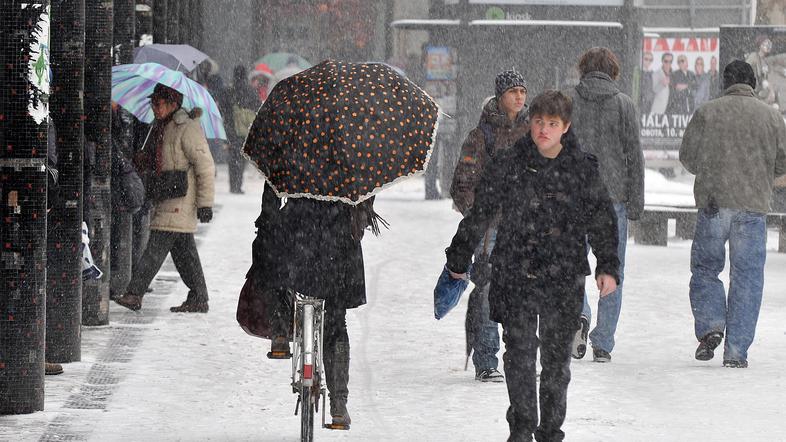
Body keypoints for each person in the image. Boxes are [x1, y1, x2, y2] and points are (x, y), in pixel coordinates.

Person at [445, 90, 620, 441]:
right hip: (516, 270)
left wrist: (608, 266)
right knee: (520, 356)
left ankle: (550, 431)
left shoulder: (582, 169)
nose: (543, 129)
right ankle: (522, 429)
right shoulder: (509, 163)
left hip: (563, 274)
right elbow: (481, 213)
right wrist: (459, 255)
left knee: (556, 363)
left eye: (552, 124)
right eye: (538, 121)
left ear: (565, 127)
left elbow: (602, 219)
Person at [679, 60, 786, 368]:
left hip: (713, 203)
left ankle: (711, 325)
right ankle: (737, 350)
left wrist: (714, 169)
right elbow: (782, 163)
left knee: (705, 269)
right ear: (753, 83)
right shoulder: (771, 117)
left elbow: (688, 157)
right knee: (748, 278)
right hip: (753, 206)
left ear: (725, 82)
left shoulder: (707, 112)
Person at [249, 185, 384, 429]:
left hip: (296, 232)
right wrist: (358, 220)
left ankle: (280, 333)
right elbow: (367, 190)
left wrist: (270, 220)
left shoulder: (293, 146)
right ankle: (339, 404)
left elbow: (273, 183)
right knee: (335, 322)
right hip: (339, 241)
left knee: (273, 269)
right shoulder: (353, 150)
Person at [450, 69, 529, 382]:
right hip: (491, 228)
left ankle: (519, 356)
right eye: (514, 92)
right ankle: (486, 359)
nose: (520, 97)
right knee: (487, 292)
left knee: (522, 292)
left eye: (523, 91)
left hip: (524, 227)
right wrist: (478, 215)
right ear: (500, 96)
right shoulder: (481, 135)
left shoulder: (533, 132)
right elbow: (462, 182)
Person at [566, 47, 644, 363]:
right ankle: (603, 342)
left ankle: (580, 313)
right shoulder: (624, 105)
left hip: (574, 196)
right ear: (613, 71)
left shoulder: (568, 102)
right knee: (612, 269)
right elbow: (634, 156)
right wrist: (636, 200)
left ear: (583, 69)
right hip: (613, 200)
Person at [114, 84, 216, 313]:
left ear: (172, 104)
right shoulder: (161, 128)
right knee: (183, 251)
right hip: (165, 195)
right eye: (152, 103)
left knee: (156, 246)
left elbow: (205, 166)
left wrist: (205, 203)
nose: (153, 108)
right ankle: (199, 297)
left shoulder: (186, 128)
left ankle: (134, 293)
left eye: (158, 103)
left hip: (180, 199)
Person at [226, 65, 260, 194]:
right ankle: (238, 185)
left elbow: (224, 107)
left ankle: (232, 184)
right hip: (245, 129)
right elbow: (257, 107)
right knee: (241, 157)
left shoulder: (229, 90)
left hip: (230, 128)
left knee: (232, 157)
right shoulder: (250, 91)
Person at [746, 35, 778, 108]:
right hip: (753, 93)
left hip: (760, 94)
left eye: (769, 44)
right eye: (766, 44)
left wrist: (771, 91)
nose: (768, 46)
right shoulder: (753, 56)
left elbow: (765, 79)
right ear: (760, 45)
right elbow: (745, 69)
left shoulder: (765, 61)